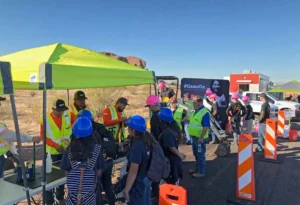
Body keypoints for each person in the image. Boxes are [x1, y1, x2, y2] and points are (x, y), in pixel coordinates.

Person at [60, 117, 105, 205]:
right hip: (90, 197)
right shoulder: (97, 149)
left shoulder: (68, 150)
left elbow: (66, 173)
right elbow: (99, 171)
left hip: (72, 198)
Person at [40, 98, 77, 205]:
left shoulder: (68, 114)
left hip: (65, 152)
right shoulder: (45, 119)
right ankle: (49, 201)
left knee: (62, 176)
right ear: (52, 109)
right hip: (50, 154)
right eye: (59, 110)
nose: (61, 112)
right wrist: (55, 145)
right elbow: (43, 136)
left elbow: (76, 122)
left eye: (62, 109)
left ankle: (60, 198)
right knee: (48, 179)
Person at [77, 110, 116, 205]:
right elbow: (111, 139)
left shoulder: (86, 130)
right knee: (108, 186)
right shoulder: (101, 127)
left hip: (97, 164)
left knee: (96, 189)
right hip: (108, 161)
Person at [123, 115, 154, 205]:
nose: (128, 129)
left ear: (133, 130)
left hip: (139, 181)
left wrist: (126, 189)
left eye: (129, 127)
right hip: (146, 178)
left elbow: (133, 171)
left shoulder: (137, 146)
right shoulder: (147, 141)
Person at [158, 108, 185, 185]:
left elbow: (171, 147)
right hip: (174, 160)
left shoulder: (167, 132)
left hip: (170, 161)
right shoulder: (174, 128)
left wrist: (179, 155)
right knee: (174, 182)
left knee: (171, 184)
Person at [187, 95, 210, 178]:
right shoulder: (195, 111)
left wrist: (201, 137)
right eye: (193, 102)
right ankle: (197, 169)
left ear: (200, 102)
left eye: (195, 102)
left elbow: (206, 127)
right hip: (195, 137)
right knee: (196, 154)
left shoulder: (204, 112)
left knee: (200, 155)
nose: (193, 103)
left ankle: (201, 172)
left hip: (200, 138)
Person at [145, 95, 162, 198]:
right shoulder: (162, 114)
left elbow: (154, 133)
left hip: (157, 145)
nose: (149, 109)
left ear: (153, 106)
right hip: (163, 144)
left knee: (155, 166)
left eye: (149, 106)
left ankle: (155, 191)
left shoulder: (155, 117)